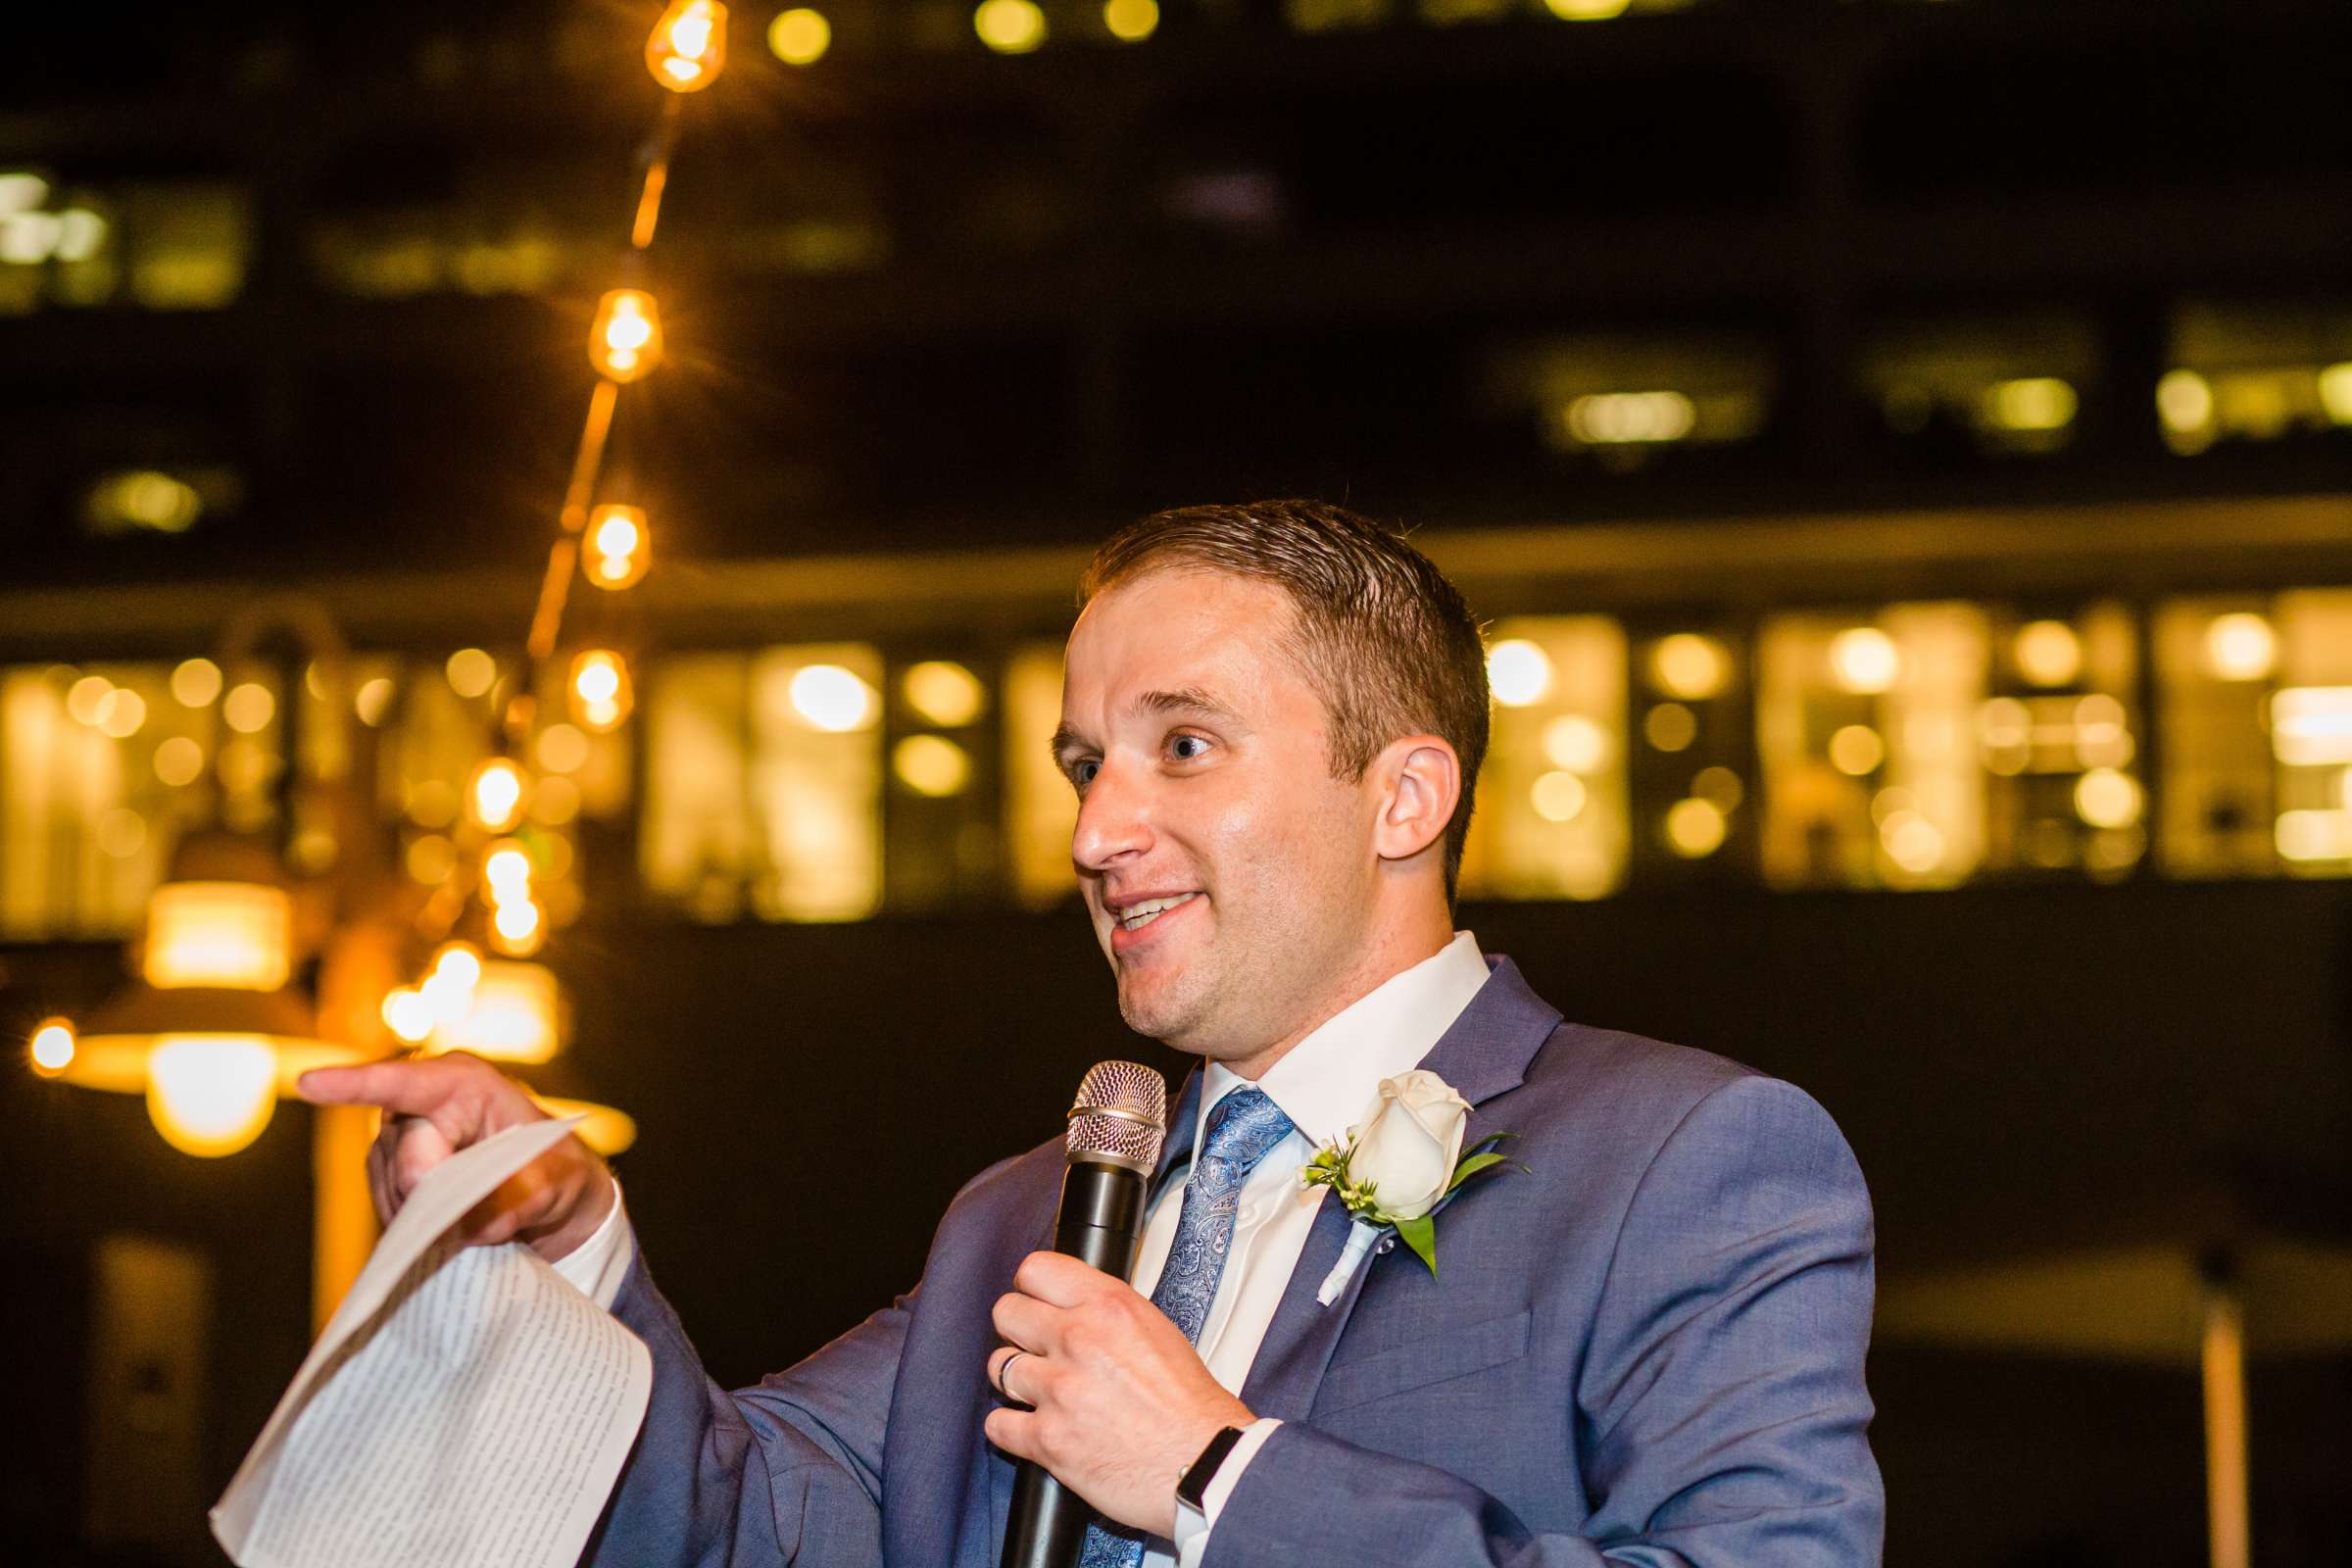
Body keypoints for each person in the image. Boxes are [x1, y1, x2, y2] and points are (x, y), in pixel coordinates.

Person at [300, 499, 1884, 1566]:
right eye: (1082, 766)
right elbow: (736, 1522)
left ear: (1404, 796)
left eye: (1181, 746)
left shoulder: (1685, 1157)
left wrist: (1217, 1475)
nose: (1097, 830)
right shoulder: (1025, 1217)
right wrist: (566, 1250)